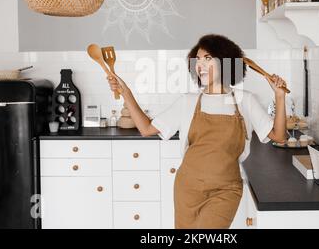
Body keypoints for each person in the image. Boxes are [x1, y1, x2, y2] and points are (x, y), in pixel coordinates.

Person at [107, 34, 287, 229]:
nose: (200, 65)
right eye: (198, 60)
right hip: (188, 188)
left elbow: (279, 136)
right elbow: (146, 129)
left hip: (226, 190)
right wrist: (126, 92)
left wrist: (279, 97)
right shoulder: (188, 101)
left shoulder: (245, 100)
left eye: (207, 58)